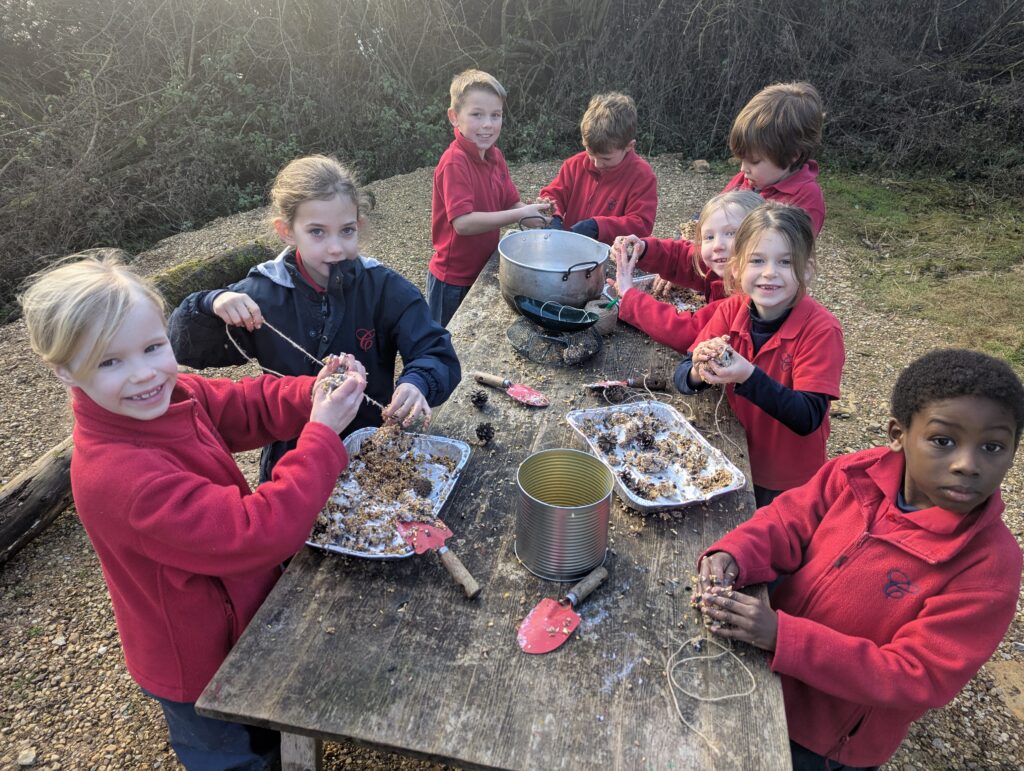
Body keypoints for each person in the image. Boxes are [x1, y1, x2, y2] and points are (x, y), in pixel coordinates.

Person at [19, 253, 368, 769]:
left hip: (237, 613)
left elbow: (247, 405)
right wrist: (319, 436)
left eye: (153, 347)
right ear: (64, 370)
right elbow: (254, 532)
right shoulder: (119, 478)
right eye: (108, 362)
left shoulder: (174, 391)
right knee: (231, 752)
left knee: (264, 723)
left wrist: (310, 393)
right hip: (194, 658)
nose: (143, 375)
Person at [694, 348, 1024, 770]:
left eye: (993, 447)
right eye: (943, 441)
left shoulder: (987, 564)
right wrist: (736, 552)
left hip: (828, 739)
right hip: (762, 669)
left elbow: (918, 675)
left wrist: (783, 636)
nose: (967, 464)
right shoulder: (857, 473)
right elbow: (788, 520)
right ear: (898, 434)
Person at [169, 154, 460, 482]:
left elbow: (435, 351)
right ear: (287, 231)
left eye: (346, 231)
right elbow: (183, 348)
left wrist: (417, 382)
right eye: (317, 232)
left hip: (370, 454)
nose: (336, 248)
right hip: (292, 461)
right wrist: (210, 302)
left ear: (358, 226)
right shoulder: (261, 293)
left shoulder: (385, 289)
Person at [675, 202, 844, 506]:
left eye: (785, 262)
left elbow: (808, 415)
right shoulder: (731, 310)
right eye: (757, 260)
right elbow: (682, 375)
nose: (769, 273)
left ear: (806, 269)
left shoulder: (820, 330)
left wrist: (747, 376)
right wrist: (699, 369)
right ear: (738, 267)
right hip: (732, 455)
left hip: (787, 480)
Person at [427, 69, 551, 326]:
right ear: (454, 117)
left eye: (496, 115)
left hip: (485, 269)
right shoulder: (454, 162)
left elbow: (511, 204)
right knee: (444, 348)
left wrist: (538, 215)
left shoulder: (495, 157)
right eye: (476, 114)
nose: (488, 124)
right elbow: (463, 223)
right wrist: (519, 214)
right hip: (452, 280)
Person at [606, 190, 763, 352]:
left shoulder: (749, 297)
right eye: (709, 237)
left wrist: (629, 296)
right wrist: (642, 249)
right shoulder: (726, 262)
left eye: (731, 234)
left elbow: (690, 332)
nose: (717, 245)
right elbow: (682, 258)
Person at [538, 92, 658, 244]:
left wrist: (598, 226)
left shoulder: (642, 176)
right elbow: (553, 194)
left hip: (610, 256)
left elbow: (641, 225)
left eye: (606, 158)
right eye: (590, 154)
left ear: (629, 146)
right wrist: (554, 216)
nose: (596, 164)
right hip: (569, 248)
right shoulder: (574, 165)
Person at [722, 82, 826, 236]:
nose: (743, 169)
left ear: (792, 156)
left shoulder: (806, 199)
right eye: (741, 159)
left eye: (754, 161)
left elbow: (788, 253)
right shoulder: (743, 181)